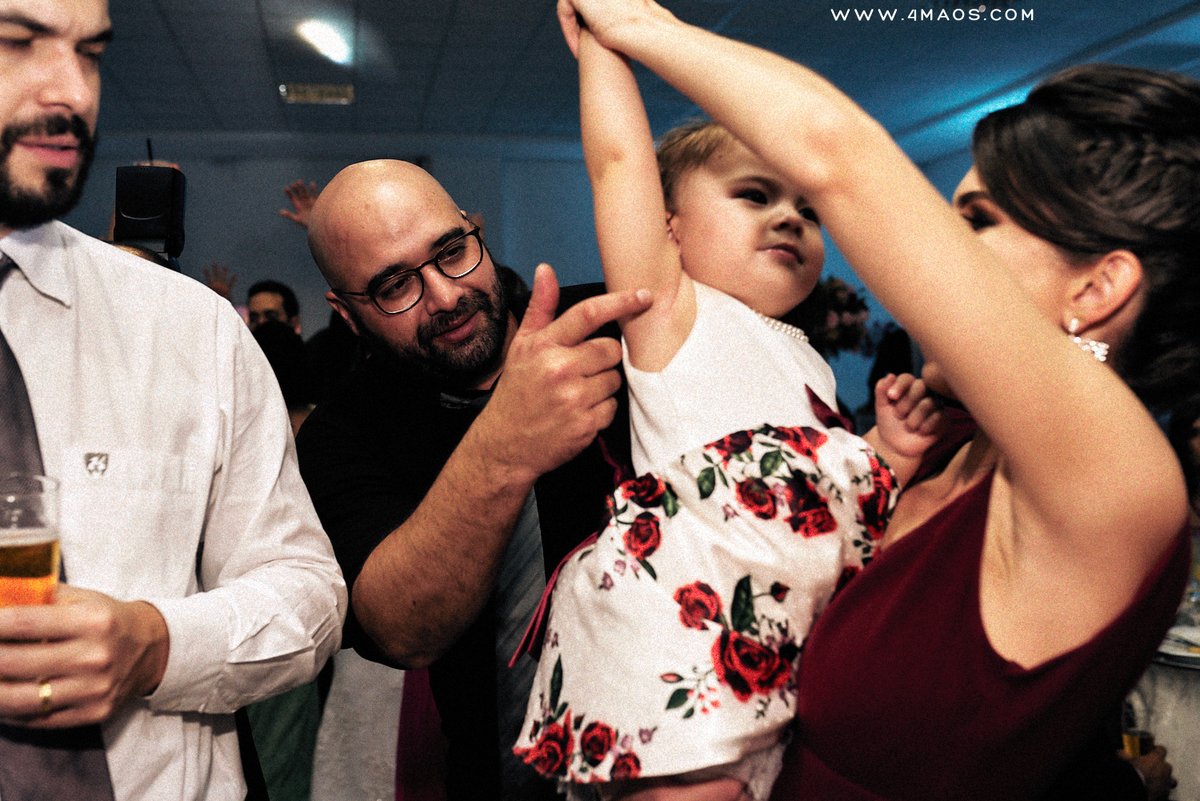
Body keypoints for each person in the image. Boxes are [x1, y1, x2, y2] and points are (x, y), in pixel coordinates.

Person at [555, 1, 1199, 799]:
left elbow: (841, 157)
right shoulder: (953, 450)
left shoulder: (1116, 481)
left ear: (1099, 287)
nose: (935, 249)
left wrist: (639, 23)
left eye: (977, 220)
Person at [513, 22, 942, 801]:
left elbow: (823, 496)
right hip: (690, 628)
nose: (789, 218)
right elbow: (617, 168)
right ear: (668, 229)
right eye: (754, 195)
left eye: (806, 210)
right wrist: (609, 44)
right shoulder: (673, 311)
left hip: (786, 644)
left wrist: (892, 446)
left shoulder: (806, 358)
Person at [0, 1, 347, 799]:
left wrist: (158, 643)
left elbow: (307, 590)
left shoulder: (187, 327)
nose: (73, 92)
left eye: (89, 52)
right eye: (19, 42)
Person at [294, 159, 653, 800]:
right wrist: (504, 445)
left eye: (452, 252)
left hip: (697, 760)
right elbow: (403, 628)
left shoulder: (607, 330)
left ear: (474, 230)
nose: (445, 296)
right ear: (345, 314)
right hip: (497, 778)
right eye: (393, 286)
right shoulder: (342, 433)